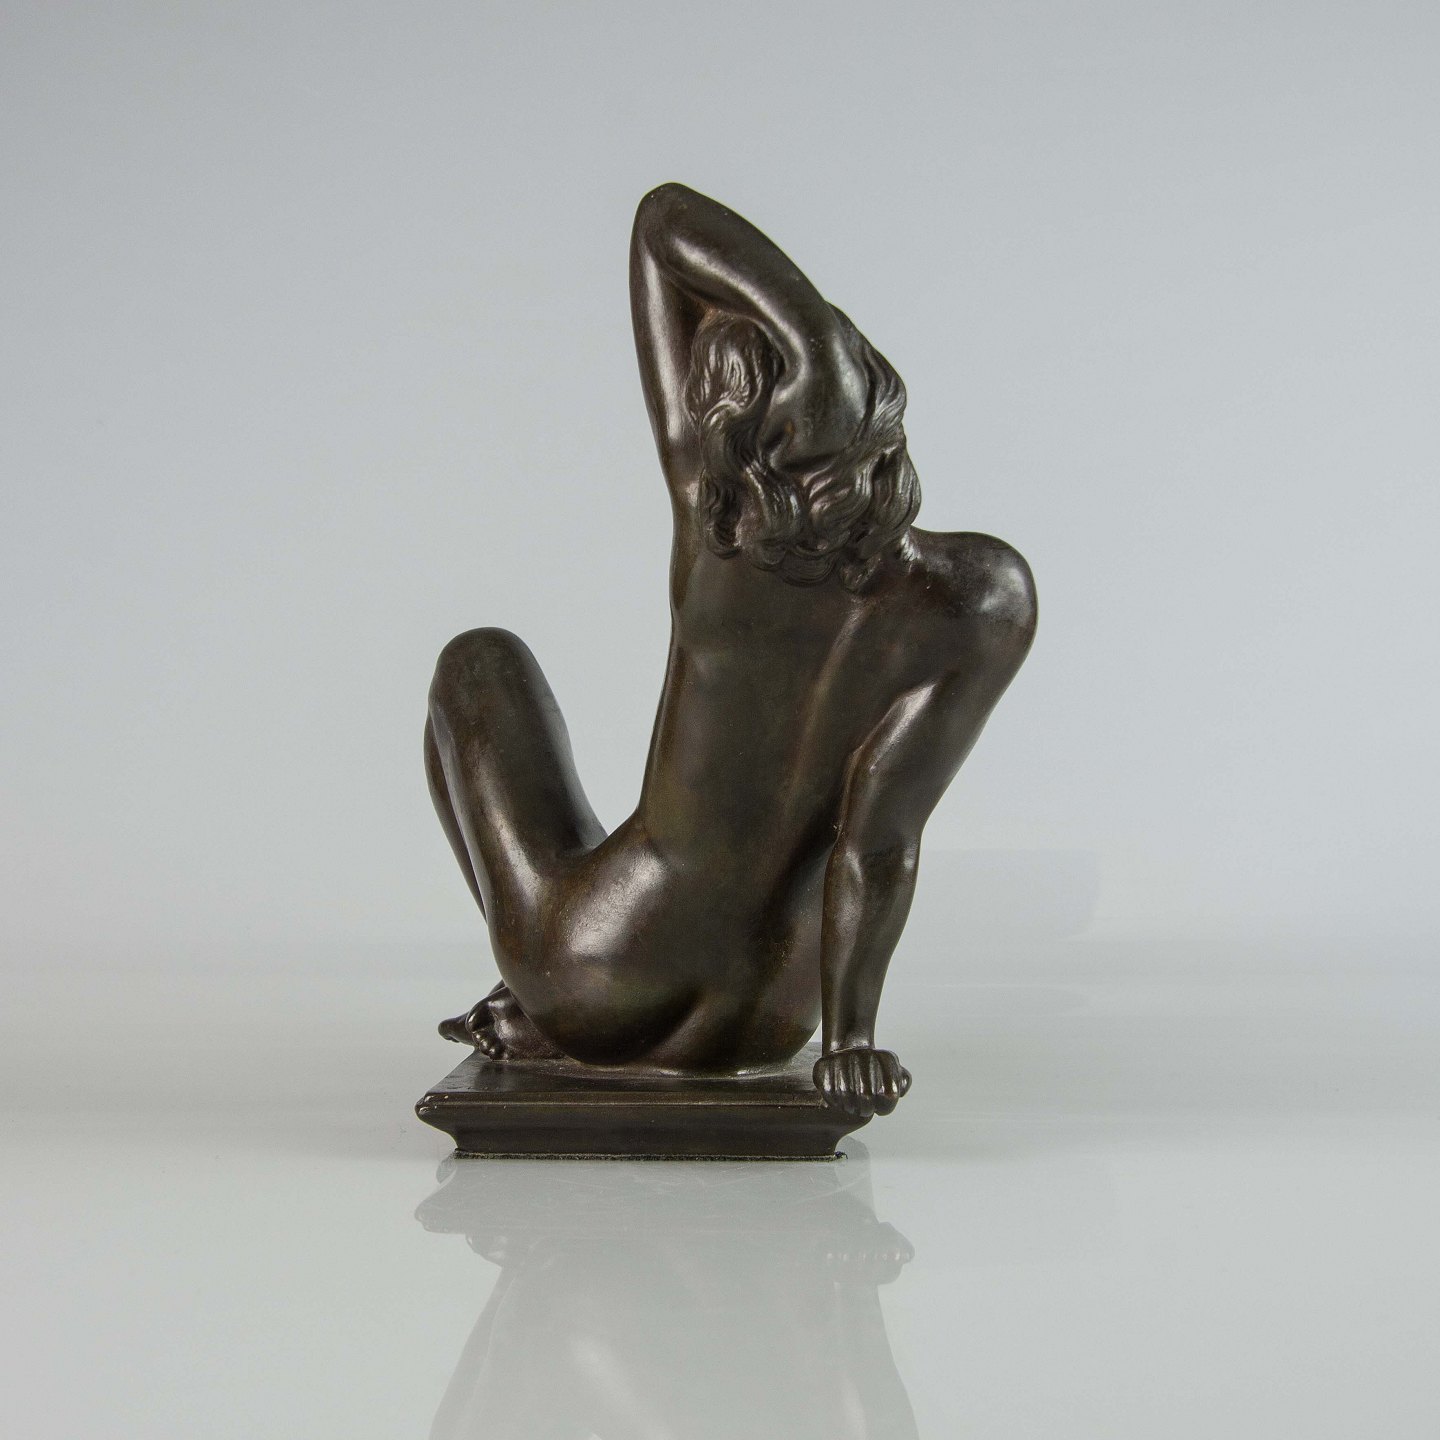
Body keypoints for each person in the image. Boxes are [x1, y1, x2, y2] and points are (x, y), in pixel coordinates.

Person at [424, 184, 1035, 1119]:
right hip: (772, 1010)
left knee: (477, 663)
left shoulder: (719, 533)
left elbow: (661, 221)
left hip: (598, 967)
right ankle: (558, 1013)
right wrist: (850, 1039)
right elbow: (876, 842)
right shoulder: (979, 598)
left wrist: (803, 336)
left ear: (726, 438)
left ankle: (545, 1008)